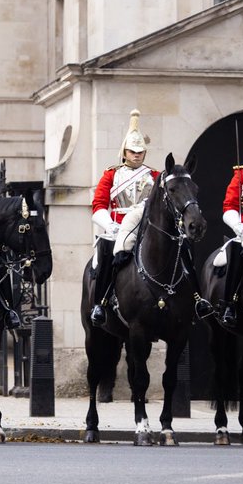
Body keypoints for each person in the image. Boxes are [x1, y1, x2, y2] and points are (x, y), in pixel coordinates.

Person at [88, 109, 212, 326]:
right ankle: (101, 302)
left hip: (149, 224)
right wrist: (110, 225)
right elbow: (98, 205)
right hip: (119, 226)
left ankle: (197, 298)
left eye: (140, 152)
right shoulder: (111, 175)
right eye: (132, 151)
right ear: (124, 152)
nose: (137, 155)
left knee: (182, 249)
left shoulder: (155, 176)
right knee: (106, 252)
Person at [218, 134, 243, 328]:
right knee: (236, 254)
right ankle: (229, 305)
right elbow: (229, 206)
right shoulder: (242, 174)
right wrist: (237, 225)